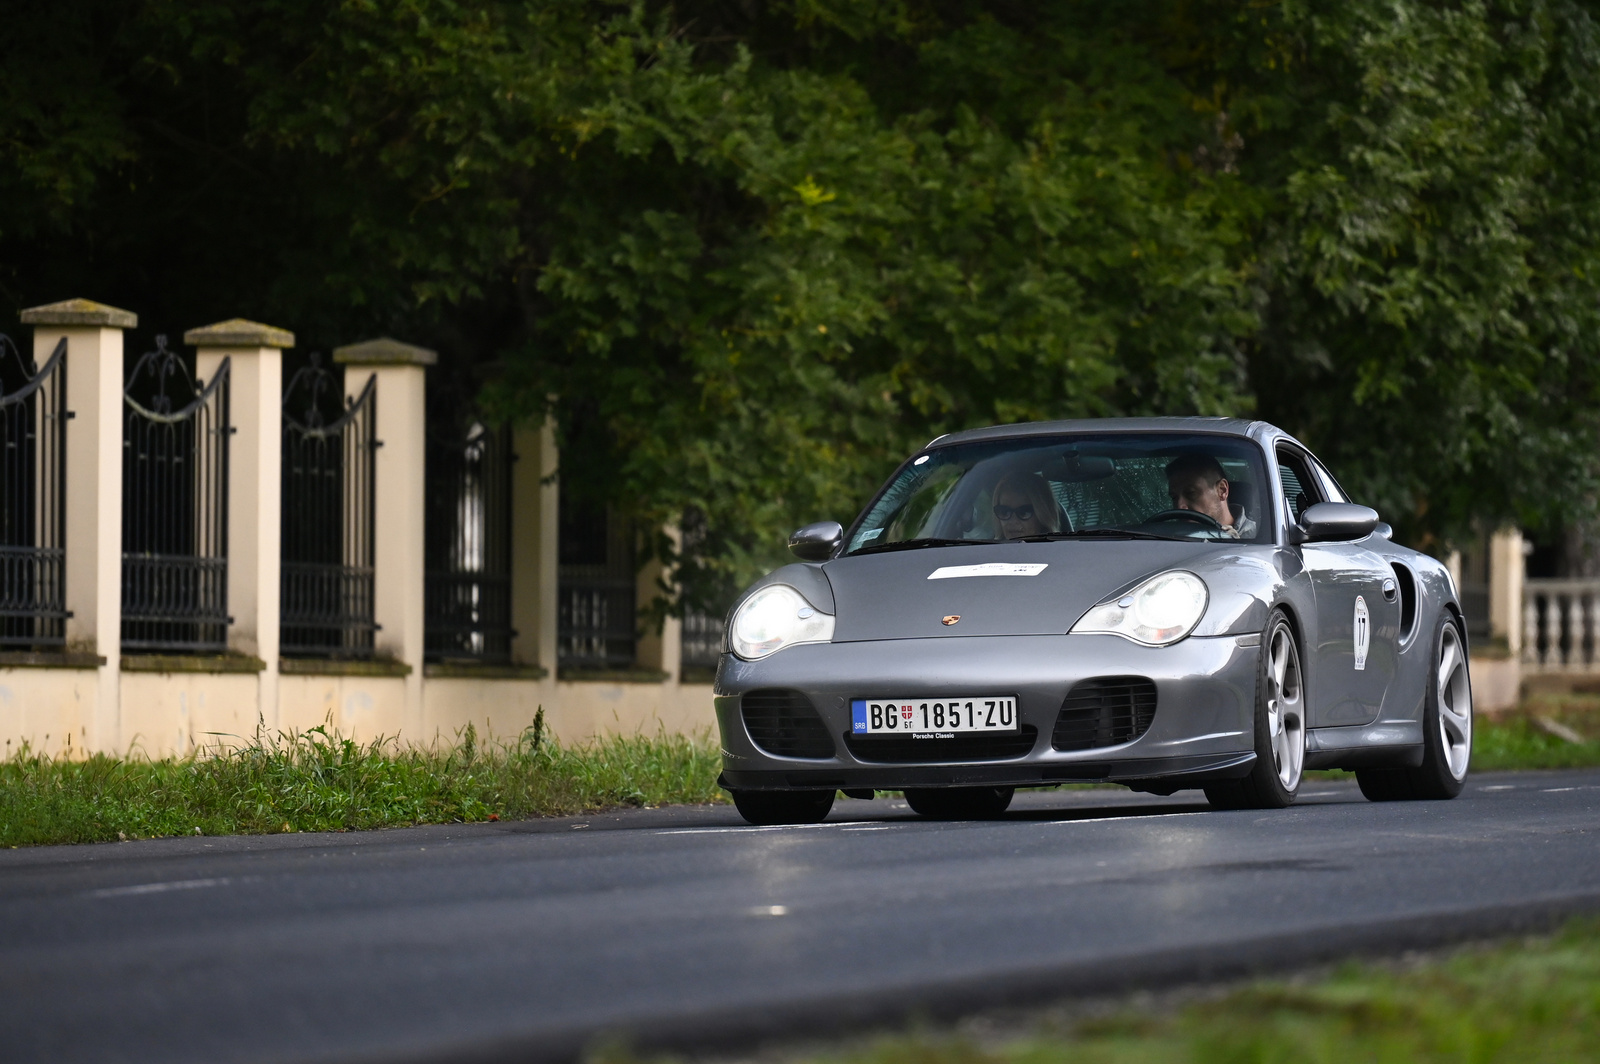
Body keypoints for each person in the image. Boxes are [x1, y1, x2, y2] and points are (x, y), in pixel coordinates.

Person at [1164, 454, 1256, 539]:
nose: (1180, 506)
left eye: (1191, 493)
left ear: (1222, 490)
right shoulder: (1165, 537)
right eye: (1174, 497)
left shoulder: (1256, 538)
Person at [991, 471, 1062, 540]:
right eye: (1004, 512)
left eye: (1023, 513)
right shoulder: (988, 550)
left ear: (1042, 515)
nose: (1012, 521)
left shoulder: (1060, 551)